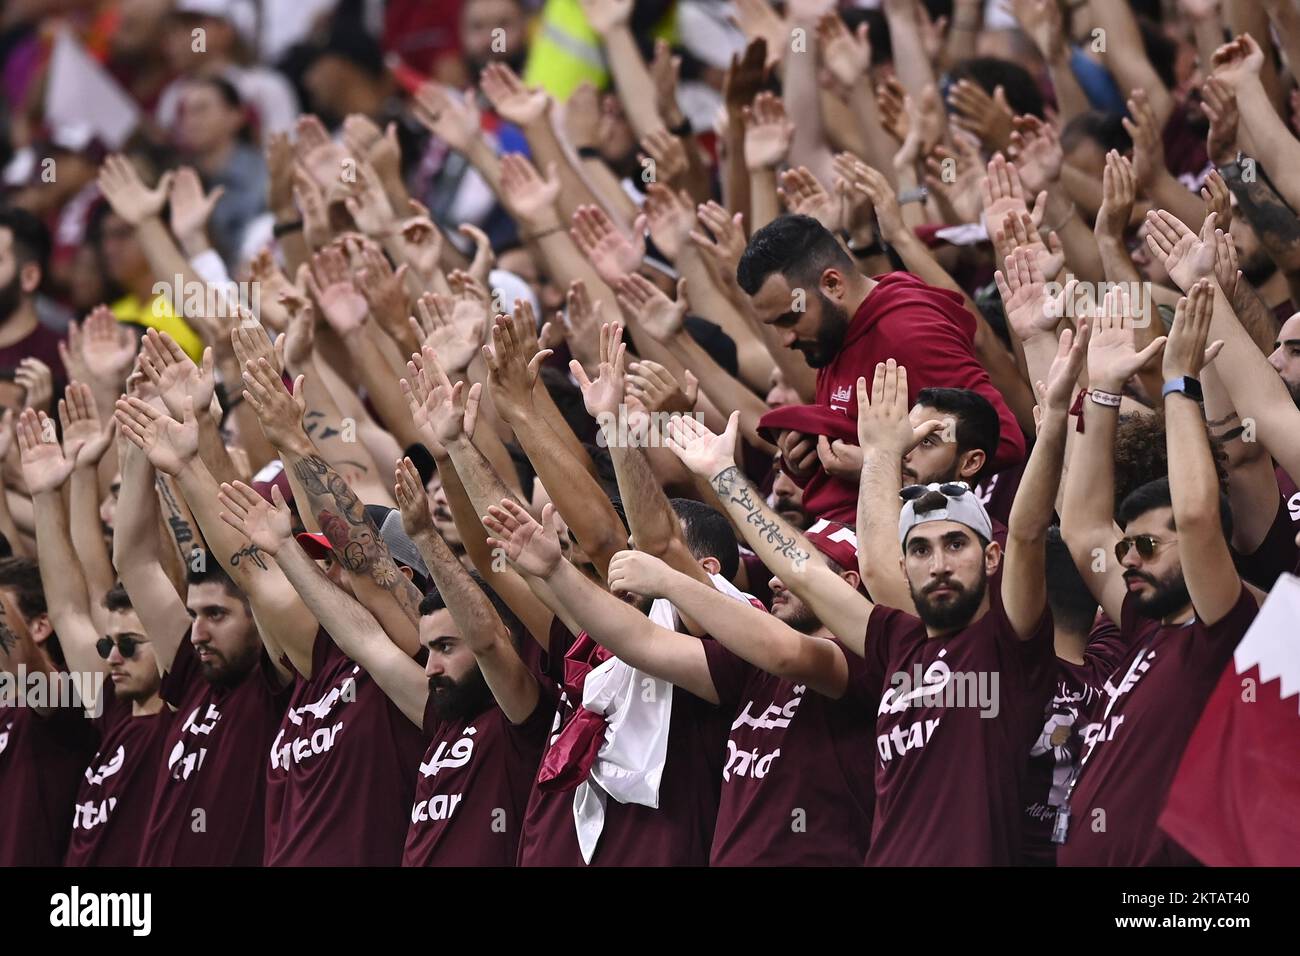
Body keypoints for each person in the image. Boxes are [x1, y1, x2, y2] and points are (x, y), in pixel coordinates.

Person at [1058, 280, 1260, 866]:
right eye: (1127, 549)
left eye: (1146, 545)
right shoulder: (1145, 628)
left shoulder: (1220, 632)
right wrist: (1101, 393)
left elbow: (1197, 516)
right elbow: (1082, 529)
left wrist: (1179, 383)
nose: (1127, 559)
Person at [740, 215, 1026, 523]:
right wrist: (808, 462)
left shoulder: (907, 334)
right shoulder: (837, 334)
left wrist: (877, 466)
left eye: (789, 319)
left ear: (833, 284)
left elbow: (1006, 441)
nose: (786, 339)